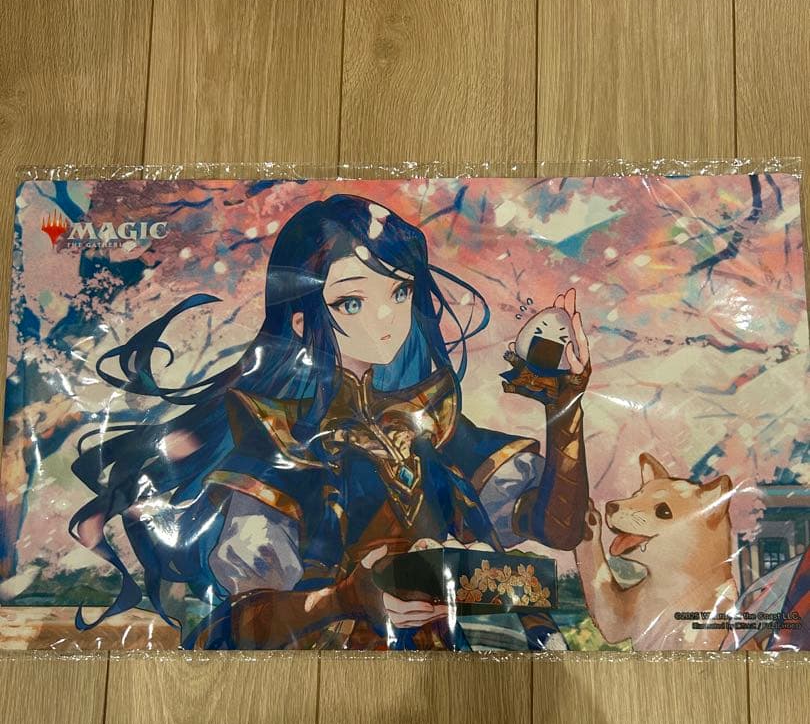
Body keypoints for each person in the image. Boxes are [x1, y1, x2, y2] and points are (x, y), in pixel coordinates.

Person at [71, 194, 591, 650]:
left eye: (400, 292)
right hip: (327, 674)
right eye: (351, 301)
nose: (386, 318)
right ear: (301, 320)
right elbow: (245, 625)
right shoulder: (277, 441)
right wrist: (345, 598)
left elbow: (559, 529)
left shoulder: (430, 418)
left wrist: (563, 404)